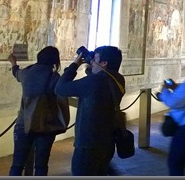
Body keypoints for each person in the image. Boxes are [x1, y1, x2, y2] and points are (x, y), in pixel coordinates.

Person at [55, 46, 125, 176]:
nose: (92, 61)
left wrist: (74, 65)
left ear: (104, 63)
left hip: (87, 145)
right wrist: (91, 64)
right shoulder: (119, 79)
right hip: (107, 142)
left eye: (95, 58)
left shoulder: (94, 82)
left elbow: (60, 88)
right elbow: (98, 79)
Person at [8, 46, 68, 176]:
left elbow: (16, 72)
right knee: (41, 165)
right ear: (54, 61)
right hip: (46, 125)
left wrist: (13, 62)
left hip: (24, 123)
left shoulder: (26, 73)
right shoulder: (54, 77)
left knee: (17, 165)